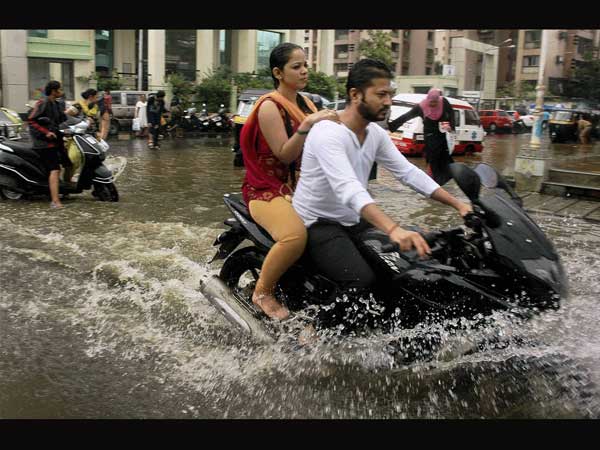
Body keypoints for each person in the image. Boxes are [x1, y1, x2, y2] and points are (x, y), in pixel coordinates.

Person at [292, 59, 472, 313]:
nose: (388, 101)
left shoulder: (374, 134)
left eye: (390, 94)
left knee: (404, 270)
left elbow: (408, 172)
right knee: (361, 281)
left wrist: (460, 205)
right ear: (355, 95)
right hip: (318, 222)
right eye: (381, 94)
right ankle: (310, 332)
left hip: (354, 220)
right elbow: (349, 188)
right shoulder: (327, 133)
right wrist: (394, 229)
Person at [240, 42, 340, 320]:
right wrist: (309, 125)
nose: (304, 71)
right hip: (265, 191)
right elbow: (284, 155)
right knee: (295, 236)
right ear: (278, 72)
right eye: (296, 66)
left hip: (301, 187)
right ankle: (262, 291)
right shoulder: (270, 107)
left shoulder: (305, 102)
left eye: (305, 65)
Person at [388, 87, 456, 185]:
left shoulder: (444, 102)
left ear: (438, 100)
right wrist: (391, 126)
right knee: (433, 157)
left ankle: (443, 178)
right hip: (429, 135)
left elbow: (451, 113)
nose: (432, 104)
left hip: (441, 134)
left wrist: (451, 126)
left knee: (444, 156)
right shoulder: (421, 107)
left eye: (435, 102)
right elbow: (407, 116)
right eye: (431, 102)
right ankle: (434, 182)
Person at [27, 80, 70, 208]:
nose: (61, 92)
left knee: (67, 163)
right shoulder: (43, 103)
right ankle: (55, 201)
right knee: (55, 169)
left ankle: (65, 191)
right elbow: (31, 121)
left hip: (56, 140)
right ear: (53, 91)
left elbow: (62, 119)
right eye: (60, 90)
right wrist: (46, 133)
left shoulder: (56, 104)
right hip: (44, 143)